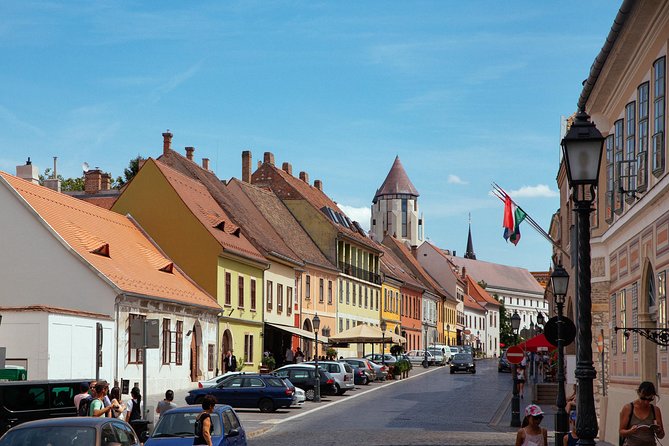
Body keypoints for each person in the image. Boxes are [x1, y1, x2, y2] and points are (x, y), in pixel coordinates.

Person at [619, 381, 665, 446]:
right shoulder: (628, 408)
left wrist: (658, 431)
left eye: (649, 399)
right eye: (643, 398)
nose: (646, 402)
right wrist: (630, 431)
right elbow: (621, 431)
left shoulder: (655, 410)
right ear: (638, 393)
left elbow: (661, 436)